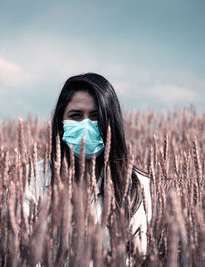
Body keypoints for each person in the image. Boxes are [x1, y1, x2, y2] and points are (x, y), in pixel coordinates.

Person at [25, 72, 151, 254]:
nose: (86, 124)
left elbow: (138, 255)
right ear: (61, 122)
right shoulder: (31, 179)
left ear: (110, 121)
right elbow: (21, 250)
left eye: (95, 116)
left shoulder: (135, 183)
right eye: (76, 115)